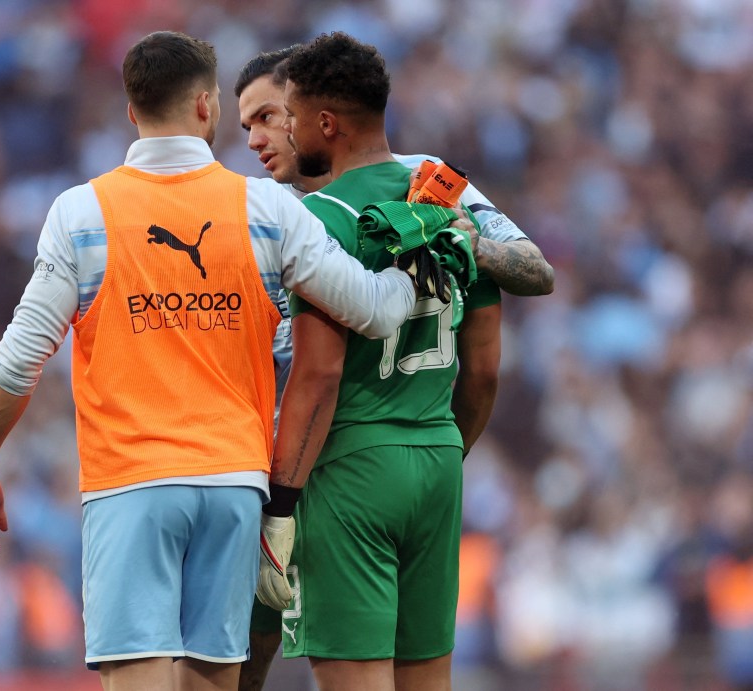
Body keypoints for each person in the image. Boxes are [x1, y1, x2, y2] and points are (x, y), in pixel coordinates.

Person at [0, 30, 430, 691]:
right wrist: (423, 263)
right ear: (207, 105)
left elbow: (16, 361)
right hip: (234, 483)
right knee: (213, 677)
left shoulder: (82, 213)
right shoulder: (266, 207)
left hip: (132, 483)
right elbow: (376, 311)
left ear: (132, 111)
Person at [234, 43, 551, 691]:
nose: (272, 135)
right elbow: (485, 365)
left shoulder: (311, 218)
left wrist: (283, 502)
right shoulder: (443, 199)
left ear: (324, 121)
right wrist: (436, 449)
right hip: (434, 454)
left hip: (335, 464)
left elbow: (317, 375)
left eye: (280, 116)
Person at [235, 47, 555, 297]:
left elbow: (539, 272)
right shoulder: (260, 213)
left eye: (267, 116)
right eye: (248, 127)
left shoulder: (424, 176)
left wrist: (478, 248)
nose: (253, 141)